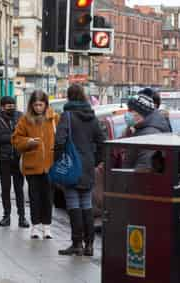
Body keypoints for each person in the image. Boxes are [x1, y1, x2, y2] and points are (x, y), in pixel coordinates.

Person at [54, 84, 105, 257]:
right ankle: (89, 245)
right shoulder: (92, 116)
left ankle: (76, 243)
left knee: (73, 205)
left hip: (71, 165)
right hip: (88, 165)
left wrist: (58, 161)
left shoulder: (67, 116)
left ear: (68, 97)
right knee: (86, 204)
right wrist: (96, 160)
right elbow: (101, 140)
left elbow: (59, 141)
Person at [12, 90, 59, 239]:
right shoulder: (25, 120)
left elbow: (62, 138)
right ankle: (35, 226)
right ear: (31, 105)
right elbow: (16, 139)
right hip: (32, 164)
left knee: (48, 197)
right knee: (34, 196)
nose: (38, 107)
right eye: (35, 105)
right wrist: (28, 142)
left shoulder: (54, 118)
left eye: (41, 104)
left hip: (50, 165)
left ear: (46, 104)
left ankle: (47, 227)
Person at [0, 96, 29, 228]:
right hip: (4, 158)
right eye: (8, 105)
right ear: (2, 107)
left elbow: (25, 134)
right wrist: (15, 137)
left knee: (19, 189)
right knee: (5, 189)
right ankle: (6, 216)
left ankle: (22, 217)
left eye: (13, 105)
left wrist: (14, 138)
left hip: (18, 158)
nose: (11, 107)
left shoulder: (20, 117)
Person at [123, 93, 171, 170]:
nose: (127, 113)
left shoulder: (150, 135)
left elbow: (144, 166)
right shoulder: (140, 129)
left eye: (130, 110)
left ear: (141, 112)